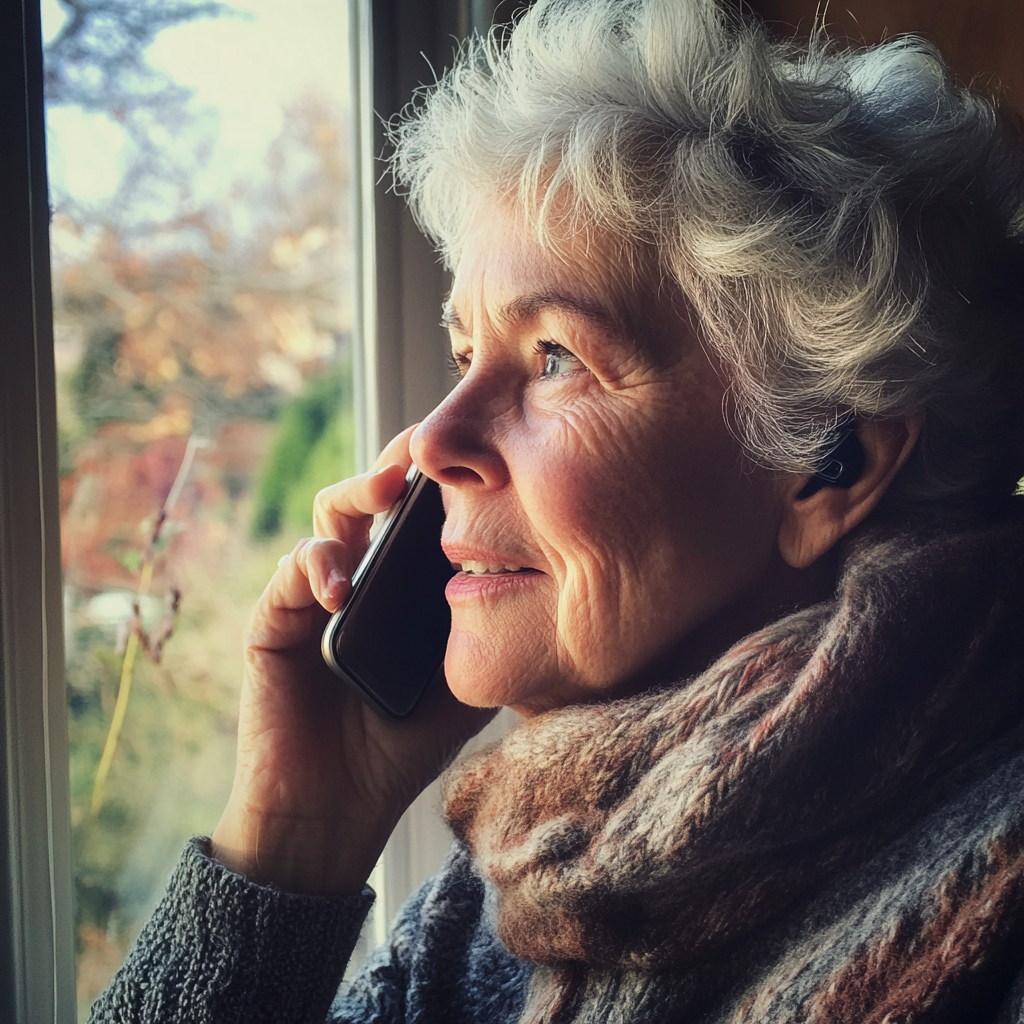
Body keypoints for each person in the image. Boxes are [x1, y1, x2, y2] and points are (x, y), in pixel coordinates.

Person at [89, 0, 1024, 1021]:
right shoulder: (507, 897)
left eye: (554, 359)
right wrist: (290, 836)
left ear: (829, 467)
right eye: (461, 355)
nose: (434, 440)